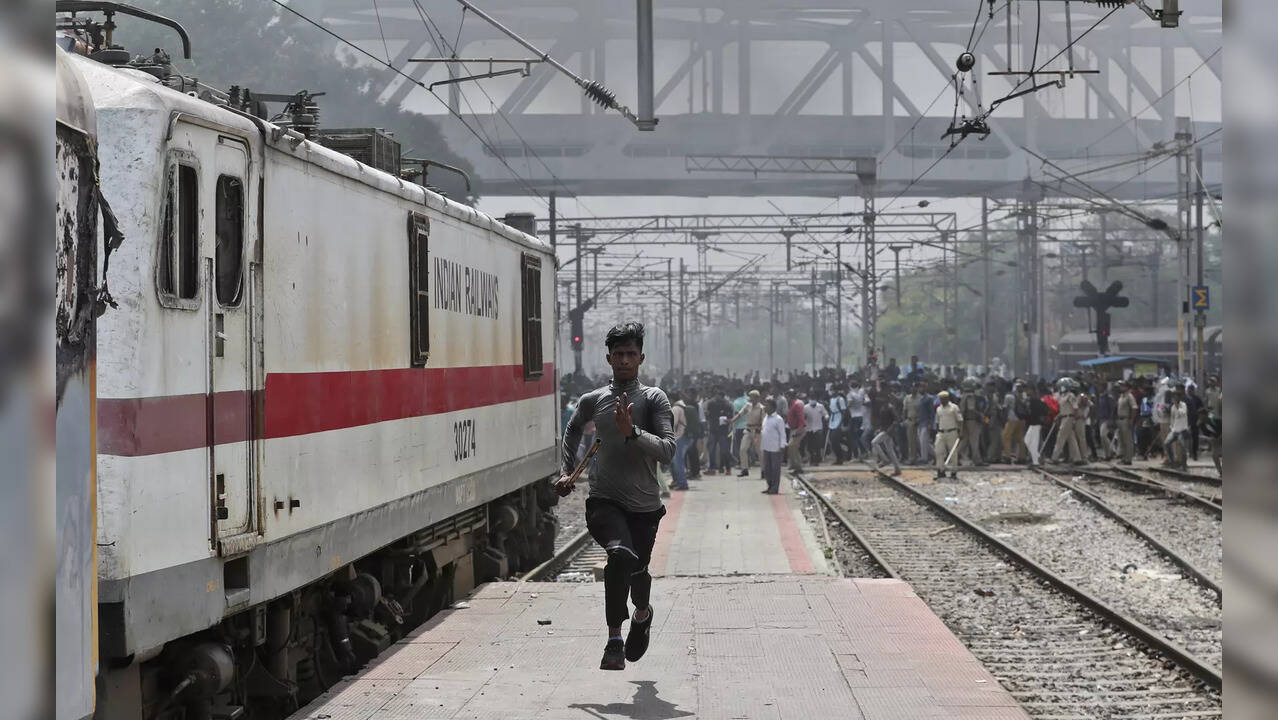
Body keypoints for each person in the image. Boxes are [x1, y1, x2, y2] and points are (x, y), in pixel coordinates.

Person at [557, 322, 675, 671]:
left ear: (641, 357)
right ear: (608, 358)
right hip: (604, 499)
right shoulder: (593, 400)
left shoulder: (654, 399)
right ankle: (613, 639)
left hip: (644, 506)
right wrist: (566, 471)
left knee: (638, 572)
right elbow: (573, 428)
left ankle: (642, 613)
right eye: (618, 355)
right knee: (619, 554)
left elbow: (668, 450)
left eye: (630, 354)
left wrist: (633, 432)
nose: (624, 360)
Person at [731, 390, 765, 477]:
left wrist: (759, 430)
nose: (751, 399)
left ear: (757, 398)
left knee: (759, 452)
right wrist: (732, 420)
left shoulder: (761, 408)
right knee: (742, 449)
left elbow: (763, 422)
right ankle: (745, 469)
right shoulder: (747, 406)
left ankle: (764, 470)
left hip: (757, 431)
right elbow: (739, 414)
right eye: (750, 397)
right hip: (748, 429)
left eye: (753, 397)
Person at [1050, 378, 1084, 465]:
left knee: (1060, 438)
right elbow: (1063, 410)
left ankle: (1054, 458)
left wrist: (1074, 420)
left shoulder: (1070, 395)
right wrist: (1058, 416)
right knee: (1071, 438)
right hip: (1063, 417)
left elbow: (1075, 408)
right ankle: (1077, 459)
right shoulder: (1063, 396)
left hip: (1068, 418)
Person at [869, 388, 902, 476]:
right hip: (884, 429)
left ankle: (885, 460)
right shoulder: (883, 407)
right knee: (890, 450)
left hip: (888, 431)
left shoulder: (890, 407)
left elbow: (896, 420)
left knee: (874, 442)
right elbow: (883, 420)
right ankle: (897, 469)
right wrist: (880, 428)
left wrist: (890, 429)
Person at [934, 390, 962, 479]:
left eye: (943, 399)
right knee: (938, 451)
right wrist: (937, 431)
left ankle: (954, 472)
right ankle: (940, 470)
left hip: (952, 432)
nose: (942, 400)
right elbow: (937, 421)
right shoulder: (938, 409)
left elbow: (960, 420)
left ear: (947, 398)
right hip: (941, 432)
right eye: (941, 399)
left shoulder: (954, 407)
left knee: (953, 453)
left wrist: (960, 432)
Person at [760, 399, 786, 494]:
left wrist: (782, 445)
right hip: (766, 446)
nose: (765, 408)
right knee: (767, 468)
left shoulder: (778, 419)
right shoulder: (765, 418)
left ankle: (775, 488)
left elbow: (782, 434)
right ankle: (769, 486)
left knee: (775, 469)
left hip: (775, 448)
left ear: (772, 407)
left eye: (767, 406)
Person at [705, 388, 733, 475]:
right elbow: (730, 416)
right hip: (721, 430)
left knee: (714, 450)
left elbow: (707, 415)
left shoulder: (712, 403)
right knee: (722, 450)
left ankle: (714, 468)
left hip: (716, 430)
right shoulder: (727, 404)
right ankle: (725, 468)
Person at [1023, 382, 1050, 468]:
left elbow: (1044, 410)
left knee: (1033, 443)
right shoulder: (1032, 399)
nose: (1026, 391)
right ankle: (1037, 457)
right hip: (1033, 423)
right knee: (1027, 440)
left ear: (1032, 390)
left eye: (1027, 389)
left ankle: (1035, 462)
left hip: (1036, 423)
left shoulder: (1035, 399)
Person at [1164, 387, 1190, 470]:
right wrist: (1171, 427)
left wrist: (1177, 406)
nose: (1174, 398)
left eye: (1176, 397)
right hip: (1175, 430)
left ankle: (1184, 465)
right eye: (1174, 397)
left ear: (1179, 397)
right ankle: (1172, 462)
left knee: (1183, 448)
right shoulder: (1172, 407)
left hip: (1182, 430)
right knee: (1167, 443)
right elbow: (1172, 418)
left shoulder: (1183, 405)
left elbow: (1182, 413)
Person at [669, 392, 690, 491]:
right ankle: (679, 481)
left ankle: (683, 484)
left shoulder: (676, 408)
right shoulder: (683, 406)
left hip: (679, 437)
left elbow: (673, 424)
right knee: (679, 461)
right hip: (685, 436)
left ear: (672, 399)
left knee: (678, 462)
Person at [1003, 380, 1028, 464]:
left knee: (1006, 437)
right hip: (1022, 419)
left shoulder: (1009, 396)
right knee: (1020, 439)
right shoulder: (1025, 396)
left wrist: (1004, 418)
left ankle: (1007, 457)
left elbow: (1005, 408)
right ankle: (1022, 457)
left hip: (1012, 419)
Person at [803, 395, 829, 465]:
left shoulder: (820, 406)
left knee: (817, 445)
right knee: (810, 446)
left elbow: (825, 414)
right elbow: (803, 417)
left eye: (813, 399)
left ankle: (817, 459)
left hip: (818, 428)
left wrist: (826, 417)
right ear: (809, 399)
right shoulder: (805, 407)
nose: (812, 400)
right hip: (809, 428)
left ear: (816, 399)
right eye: (811, 398)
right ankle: (812, 459)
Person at [846, 380, 868, 459]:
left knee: (853, 436)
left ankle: (862, 451)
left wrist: (846, 408)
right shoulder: (860, 393)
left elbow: (849, 404)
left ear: (850, 386)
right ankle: (860, 452)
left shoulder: (850, 394)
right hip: (861, 416)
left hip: (853, 416)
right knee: (857, 435)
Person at [787, 393, 808, 473]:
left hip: (798, 429)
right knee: (792, 448)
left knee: (792, 446)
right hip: (793, 428)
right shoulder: (791, 405)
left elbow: (801, 418)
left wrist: (799, 430)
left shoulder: (797, 405)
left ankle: (798, 467)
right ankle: (794, 464)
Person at [827, 386, 849, 464]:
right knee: (832, 441)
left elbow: (843, 412)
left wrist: (840, 423)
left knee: (834, 440)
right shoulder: (831, 400)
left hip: (838, 420)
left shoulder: (840, 399)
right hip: (832, 421)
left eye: (833, 390)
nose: (832, 392)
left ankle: (840, 457)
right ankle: (839, 457)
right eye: (831, 390)